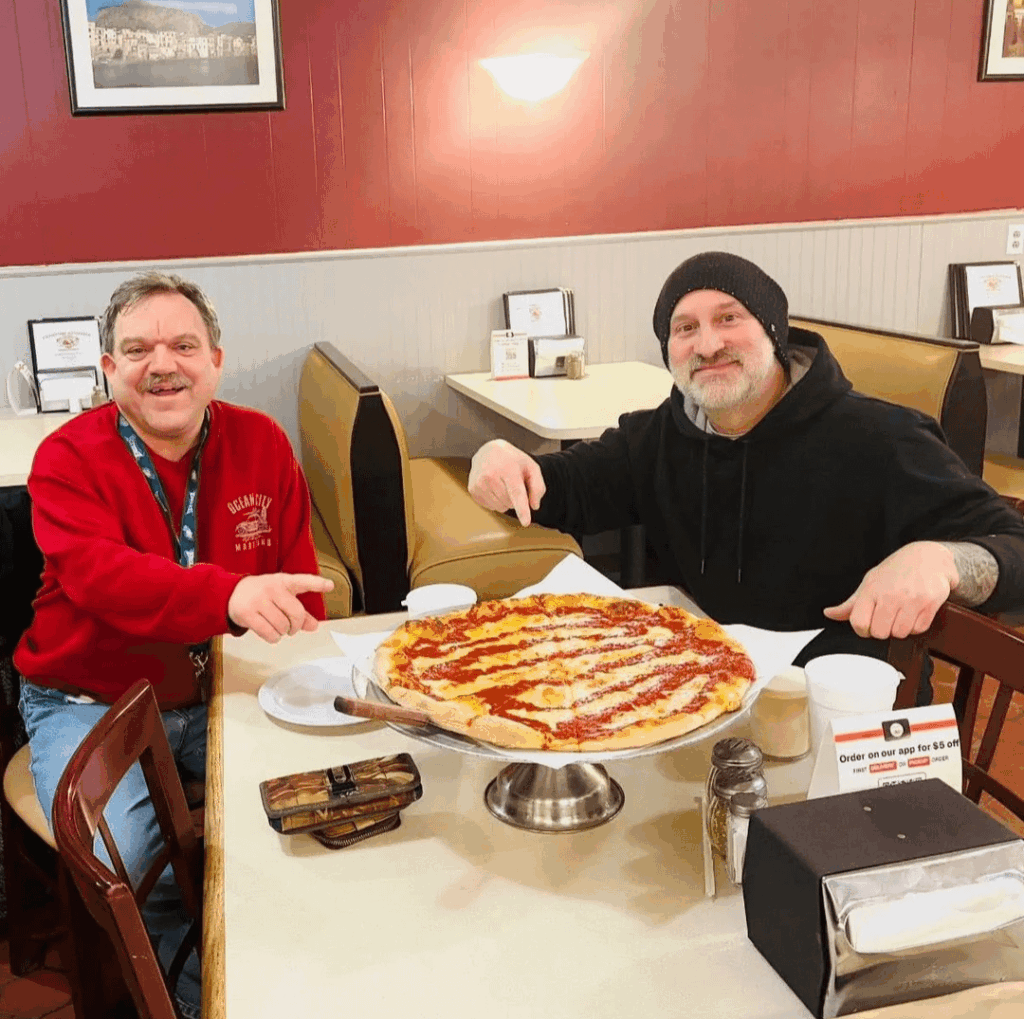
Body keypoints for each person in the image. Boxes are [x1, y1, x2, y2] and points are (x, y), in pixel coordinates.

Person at [14, 271, 333, 1019]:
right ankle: (206, 996)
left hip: (223, 681)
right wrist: (226, 595)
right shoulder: (64, 458)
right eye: (138, 348)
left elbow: (294, 585)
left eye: (184, 344)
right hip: (89, 694)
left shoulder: (262, 440)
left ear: (216, 361)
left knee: (321, 815)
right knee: (131, 865)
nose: (164, 363)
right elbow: (104, 581)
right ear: (107, 371)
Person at [468, 251, 1024, 667]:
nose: (707, 344)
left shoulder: (883, 439)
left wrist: (941, 561)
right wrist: (501, 459)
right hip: (701, 691)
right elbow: (566, 487)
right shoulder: (662, 435)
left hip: (841, 714)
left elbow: (1015, 548)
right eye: (685, 329)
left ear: (774, 331)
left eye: (729, 318)